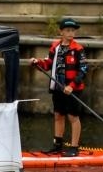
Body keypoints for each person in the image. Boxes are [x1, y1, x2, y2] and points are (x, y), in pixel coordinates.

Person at [33, 17, 88, 156]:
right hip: (58, 87)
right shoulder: (55, 47)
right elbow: (48, 63)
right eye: (68, 30)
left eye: (73, 30)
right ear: (61, 32)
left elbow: (83, 70)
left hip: (73, 89)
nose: (71, 33)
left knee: (73, 117)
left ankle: (74, 148)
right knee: (58, 115)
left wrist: (72, 85)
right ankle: (57, 146)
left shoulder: (78, 49)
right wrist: (37, 62)